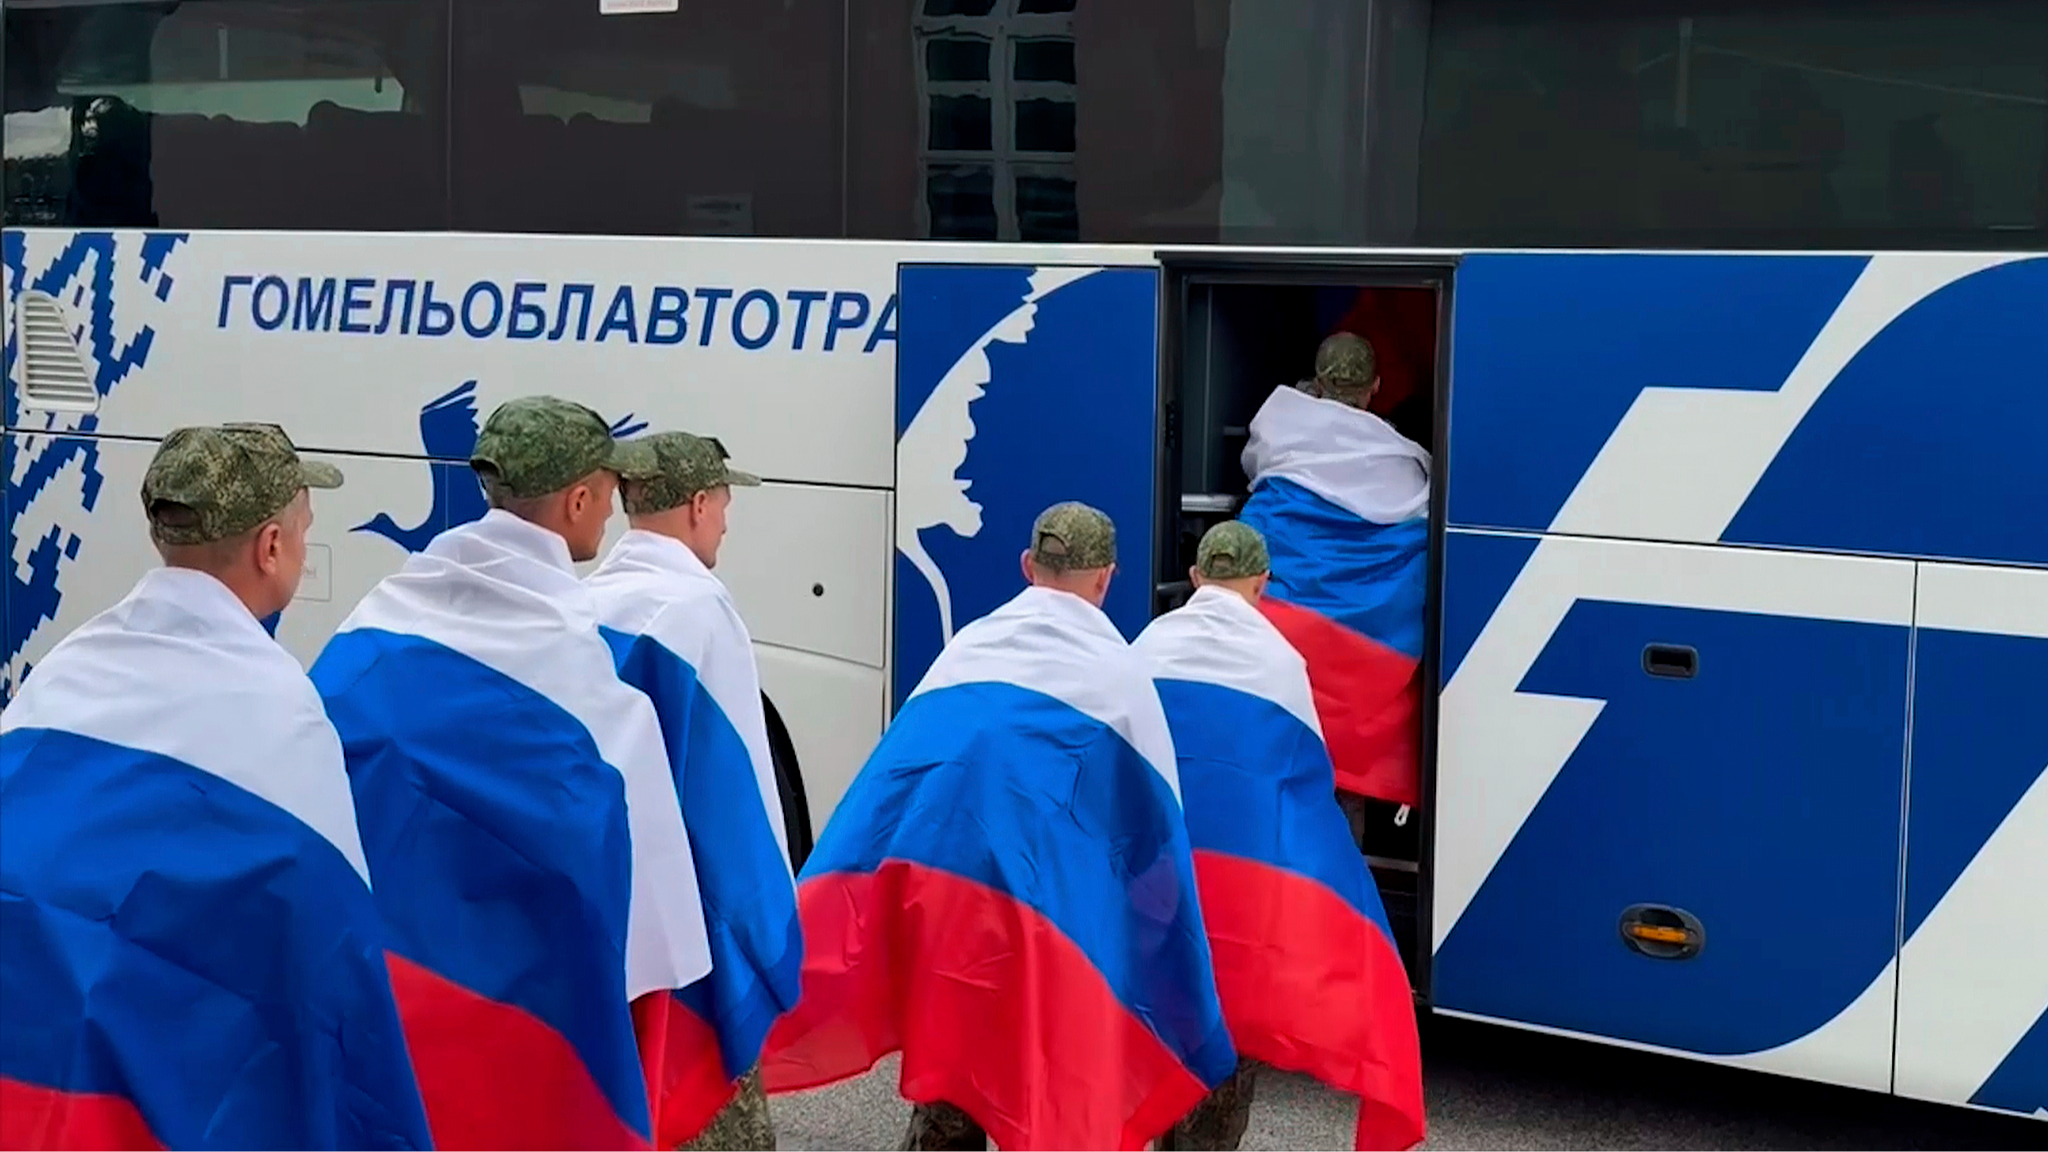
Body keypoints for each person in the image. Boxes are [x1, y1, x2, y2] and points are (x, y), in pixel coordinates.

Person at [0, 424, 432, 1152]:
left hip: (33, 1046)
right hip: (171, 1082)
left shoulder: (68, 668)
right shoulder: (282, 713)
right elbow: (329, 956)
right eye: (304, 530)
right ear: (271, 547)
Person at [761, 502, 1236, 1152]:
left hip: (950, 912)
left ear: (1027, 567)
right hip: (1046, 928)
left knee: (954, 1081)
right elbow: (1153, 830)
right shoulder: (1119, 675)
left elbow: (896, 780)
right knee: (1036, 1089)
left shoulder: (969, 648)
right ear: (1106, 577)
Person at [309, 396, 712, 1152]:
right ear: (579, 500)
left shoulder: (377, 619)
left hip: (383, 1000)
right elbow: (647, 914)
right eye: (608, 492)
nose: (613, 512)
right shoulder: (589, 689)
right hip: (521, 1027)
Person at [1135, 522, 1426, 1152]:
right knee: (1225, 1039)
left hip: (1158, 888)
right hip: (1237, 907)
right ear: (1262, 583)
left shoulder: (1148, 645)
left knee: (1157, 1036)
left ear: (1196, 577)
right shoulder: (1278, 662)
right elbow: (1300, 788)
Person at [586, 431, 801, 1152]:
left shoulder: (586, 600)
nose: (728, 524)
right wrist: (769, 939)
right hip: (689, 939)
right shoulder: (700, 613)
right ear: (700, 504)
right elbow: (731, 801)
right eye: (726, 505)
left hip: (610, 917)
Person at [1238, 332, 1432, 824]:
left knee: (1275, 779)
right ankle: (1341, 866)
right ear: (1376, 386)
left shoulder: (1280, 439)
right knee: (1344, 783)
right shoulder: (1404, 472)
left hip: (1287, 653)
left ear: (1318, 383)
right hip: (1358, 676)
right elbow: (1413, 573)